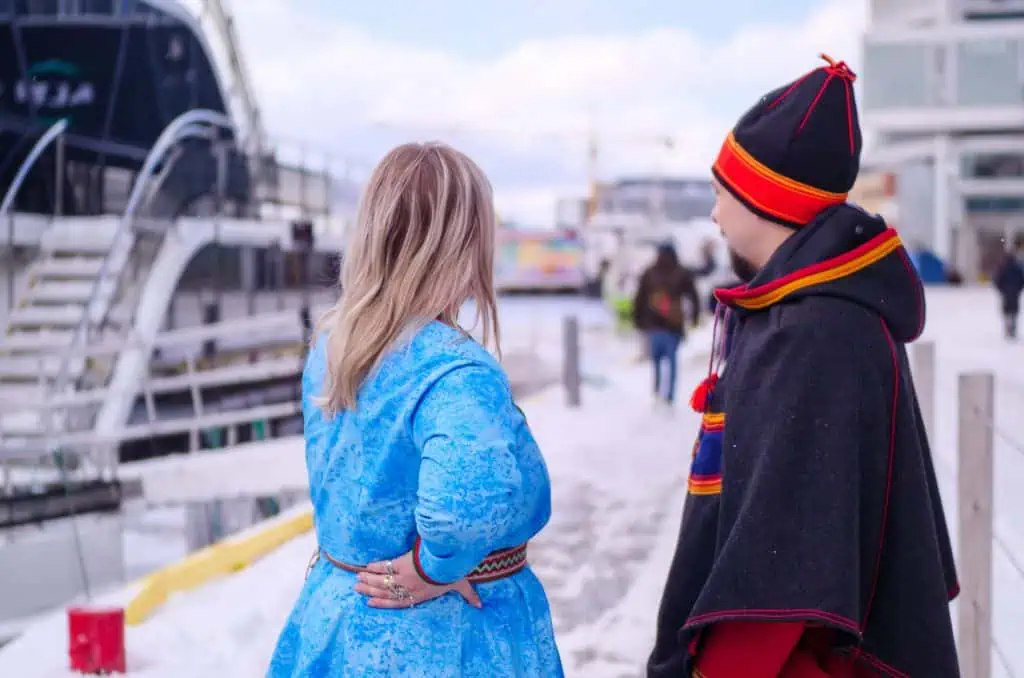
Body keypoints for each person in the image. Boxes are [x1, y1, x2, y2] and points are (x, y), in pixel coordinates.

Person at [647, 54, 960, 677]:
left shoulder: (814, 333)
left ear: (763, 199)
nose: (713, 215)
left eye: (719, 194)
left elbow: (782, 566)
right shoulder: (802, 313)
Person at [268, 143, 563, 677]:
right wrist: (436, 566)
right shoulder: (456, 373)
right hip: (441, 639)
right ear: (464, 247)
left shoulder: (334, 346)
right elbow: (459, 511)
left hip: (338, 617)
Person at [632, 242, 702, 406]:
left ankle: (657, 391)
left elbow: (639, 298)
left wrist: (638, 320)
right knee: (671, 361)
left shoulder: (649, 273)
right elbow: (694, 296)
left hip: (653, 324)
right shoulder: (681, 272)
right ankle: (669, 395)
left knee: (656, 360)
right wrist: (694, 317)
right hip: (673, 325)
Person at [993, 238, 1024, 339]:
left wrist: (1001, 289)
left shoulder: (1003, 267)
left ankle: (1008, 330)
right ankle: (1012, 330)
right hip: (1014, 292)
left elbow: (997, 280)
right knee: (1014, 312)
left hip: (1006, 292)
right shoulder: (1017, 267)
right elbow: (1021, 280)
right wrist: (1018, 289)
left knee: (1007, 312)